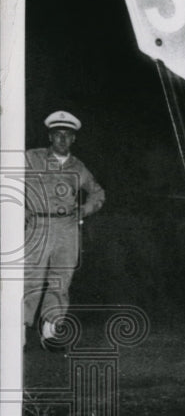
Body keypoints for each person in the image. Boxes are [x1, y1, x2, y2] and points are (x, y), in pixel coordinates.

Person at [24, 110, 105, 351]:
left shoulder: (78, 167)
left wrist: (84, 210)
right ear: (50, 137)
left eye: (67, 135)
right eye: (57, 134)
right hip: (38, 226)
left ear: (73, 139)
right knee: (31, 279)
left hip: (67, 228)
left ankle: (51, 330)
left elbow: (98, 192)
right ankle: (19, 330)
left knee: (61, 280)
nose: (62, 139)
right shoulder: (31, 158)